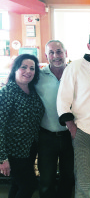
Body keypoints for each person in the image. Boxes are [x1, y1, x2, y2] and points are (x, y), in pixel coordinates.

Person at [57, 30, 90, 198]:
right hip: (82, 129)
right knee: (83, 177)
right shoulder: (75, 66)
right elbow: (63, 98)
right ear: (89, 46)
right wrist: (72, 128)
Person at [0, 54, 45, 198]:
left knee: (17, 184)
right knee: (29, 184)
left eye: (32, 68)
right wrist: (2, 158)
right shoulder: (7, 92)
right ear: (15, 69)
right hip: (13, 151)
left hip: (29, 148)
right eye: (23, 67)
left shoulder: (32, 92)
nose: (28, 71)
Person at [35, 40, 74, 198]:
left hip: (70, 135)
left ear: (66, 53)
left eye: (59, 51)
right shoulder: (38, 76)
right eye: (51, 52)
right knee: (46, 178)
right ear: (46, 55)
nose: (56, 56)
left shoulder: (74, 73)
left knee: (68, 177)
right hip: (46, 136)